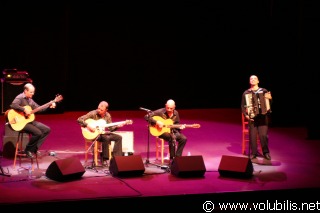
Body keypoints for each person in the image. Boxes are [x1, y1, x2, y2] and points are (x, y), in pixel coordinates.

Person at [9, 83, 57, 159]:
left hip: (28, 121)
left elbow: (39, 109)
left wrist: (49, 105)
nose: (33, 94)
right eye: (31, 92)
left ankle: (33, 149)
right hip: (20, 123)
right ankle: (28, 150)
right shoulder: (20, 97)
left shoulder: (30, 100)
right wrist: (24, 109)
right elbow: (13, 105)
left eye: (33, 92)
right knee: (38, 133)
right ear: (25, 91)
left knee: (46, 129)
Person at [77, 101, 124, 166]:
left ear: (106, 110)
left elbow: (111, 129)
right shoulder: (93, 113)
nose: (99, 110)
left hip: (102, 132)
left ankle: (117, 159)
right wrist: (88, 126)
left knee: (119, 137)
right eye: (98, 108)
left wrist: (118, 126)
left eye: (101, 110)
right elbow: (79, 119)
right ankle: (104, 159)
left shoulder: (107, 116)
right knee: (106, 137)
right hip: (93, 133)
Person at [241, 75, 272, 160]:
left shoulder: (264, 90)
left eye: (255, 78)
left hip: (263, 117)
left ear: (258, 81)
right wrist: (246, 115)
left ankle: (266, 152)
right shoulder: (246, 93)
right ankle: (253, 153)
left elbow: (269, 104)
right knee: (253, 135)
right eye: (251, 78)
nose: (253, 80)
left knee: (263, 135)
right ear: (249, 81)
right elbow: (243, 106)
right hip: (252, 118)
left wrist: (270, 99)